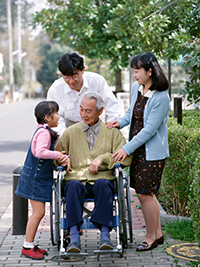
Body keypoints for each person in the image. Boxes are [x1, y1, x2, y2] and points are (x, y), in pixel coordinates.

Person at [107, 52, 170, 252]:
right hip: (137, 149)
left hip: (152, 153)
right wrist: (120, 122)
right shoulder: (137, 88)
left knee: (145, 194)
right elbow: (130, 113)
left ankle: (150, 237)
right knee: (147, 194)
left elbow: (150, 130)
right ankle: (158, 234)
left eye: (137, 71)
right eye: (133, 71)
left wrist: (126, 148)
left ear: (149, 71)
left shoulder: (161, 97)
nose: (134, 75)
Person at [54, 91, 132, 253]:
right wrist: (62, 159)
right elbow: (57, 157)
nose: (83, 114)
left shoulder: (111, 132)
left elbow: (126, 159)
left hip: (102, 179)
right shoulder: (70, 132)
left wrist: (103, 159)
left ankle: (105, 236)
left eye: (88, 110)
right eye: (81, 109)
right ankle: (74, 237)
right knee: (73, 186)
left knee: (104, 184)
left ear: (100, 111)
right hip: (76, 179)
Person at [15, 101, 70, 260]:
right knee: (38, 213)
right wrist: (58, 155)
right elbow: (40, 152)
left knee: (38, 212)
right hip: (35, 179)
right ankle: (27, 246)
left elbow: (43, 151)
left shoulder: (43, 131)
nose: (59, 116)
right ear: (47, 117)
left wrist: (57, 153)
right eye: (56, 113)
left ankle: (30, 244)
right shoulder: (44, 133)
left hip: (36, 178)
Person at [47, 52, 120, 136]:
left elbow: (112, 106)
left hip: (95, 128)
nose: (71, 81)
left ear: (83, 70)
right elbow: (55, 118)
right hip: (68, 131)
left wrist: (110, 128)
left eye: (75, 76)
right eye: (66, 77)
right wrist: (65, 138)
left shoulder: (97, 81)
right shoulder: (55, 90)